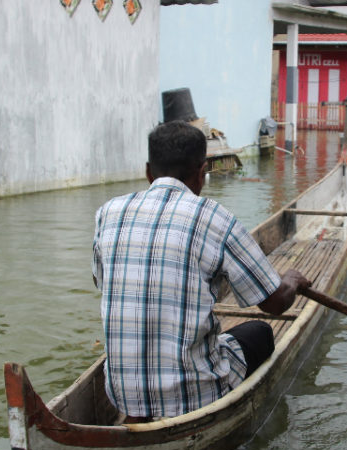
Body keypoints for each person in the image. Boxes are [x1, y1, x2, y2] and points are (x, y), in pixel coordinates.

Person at [92, 121, 310, 422]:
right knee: (261, 332)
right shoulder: (216, 218)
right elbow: (274, 303)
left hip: (122, 394)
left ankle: (136, 418)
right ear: (201, 172)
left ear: (148, 171)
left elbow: (103, 282)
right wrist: (292, 280)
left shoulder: (108, 212)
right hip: (194, 394)